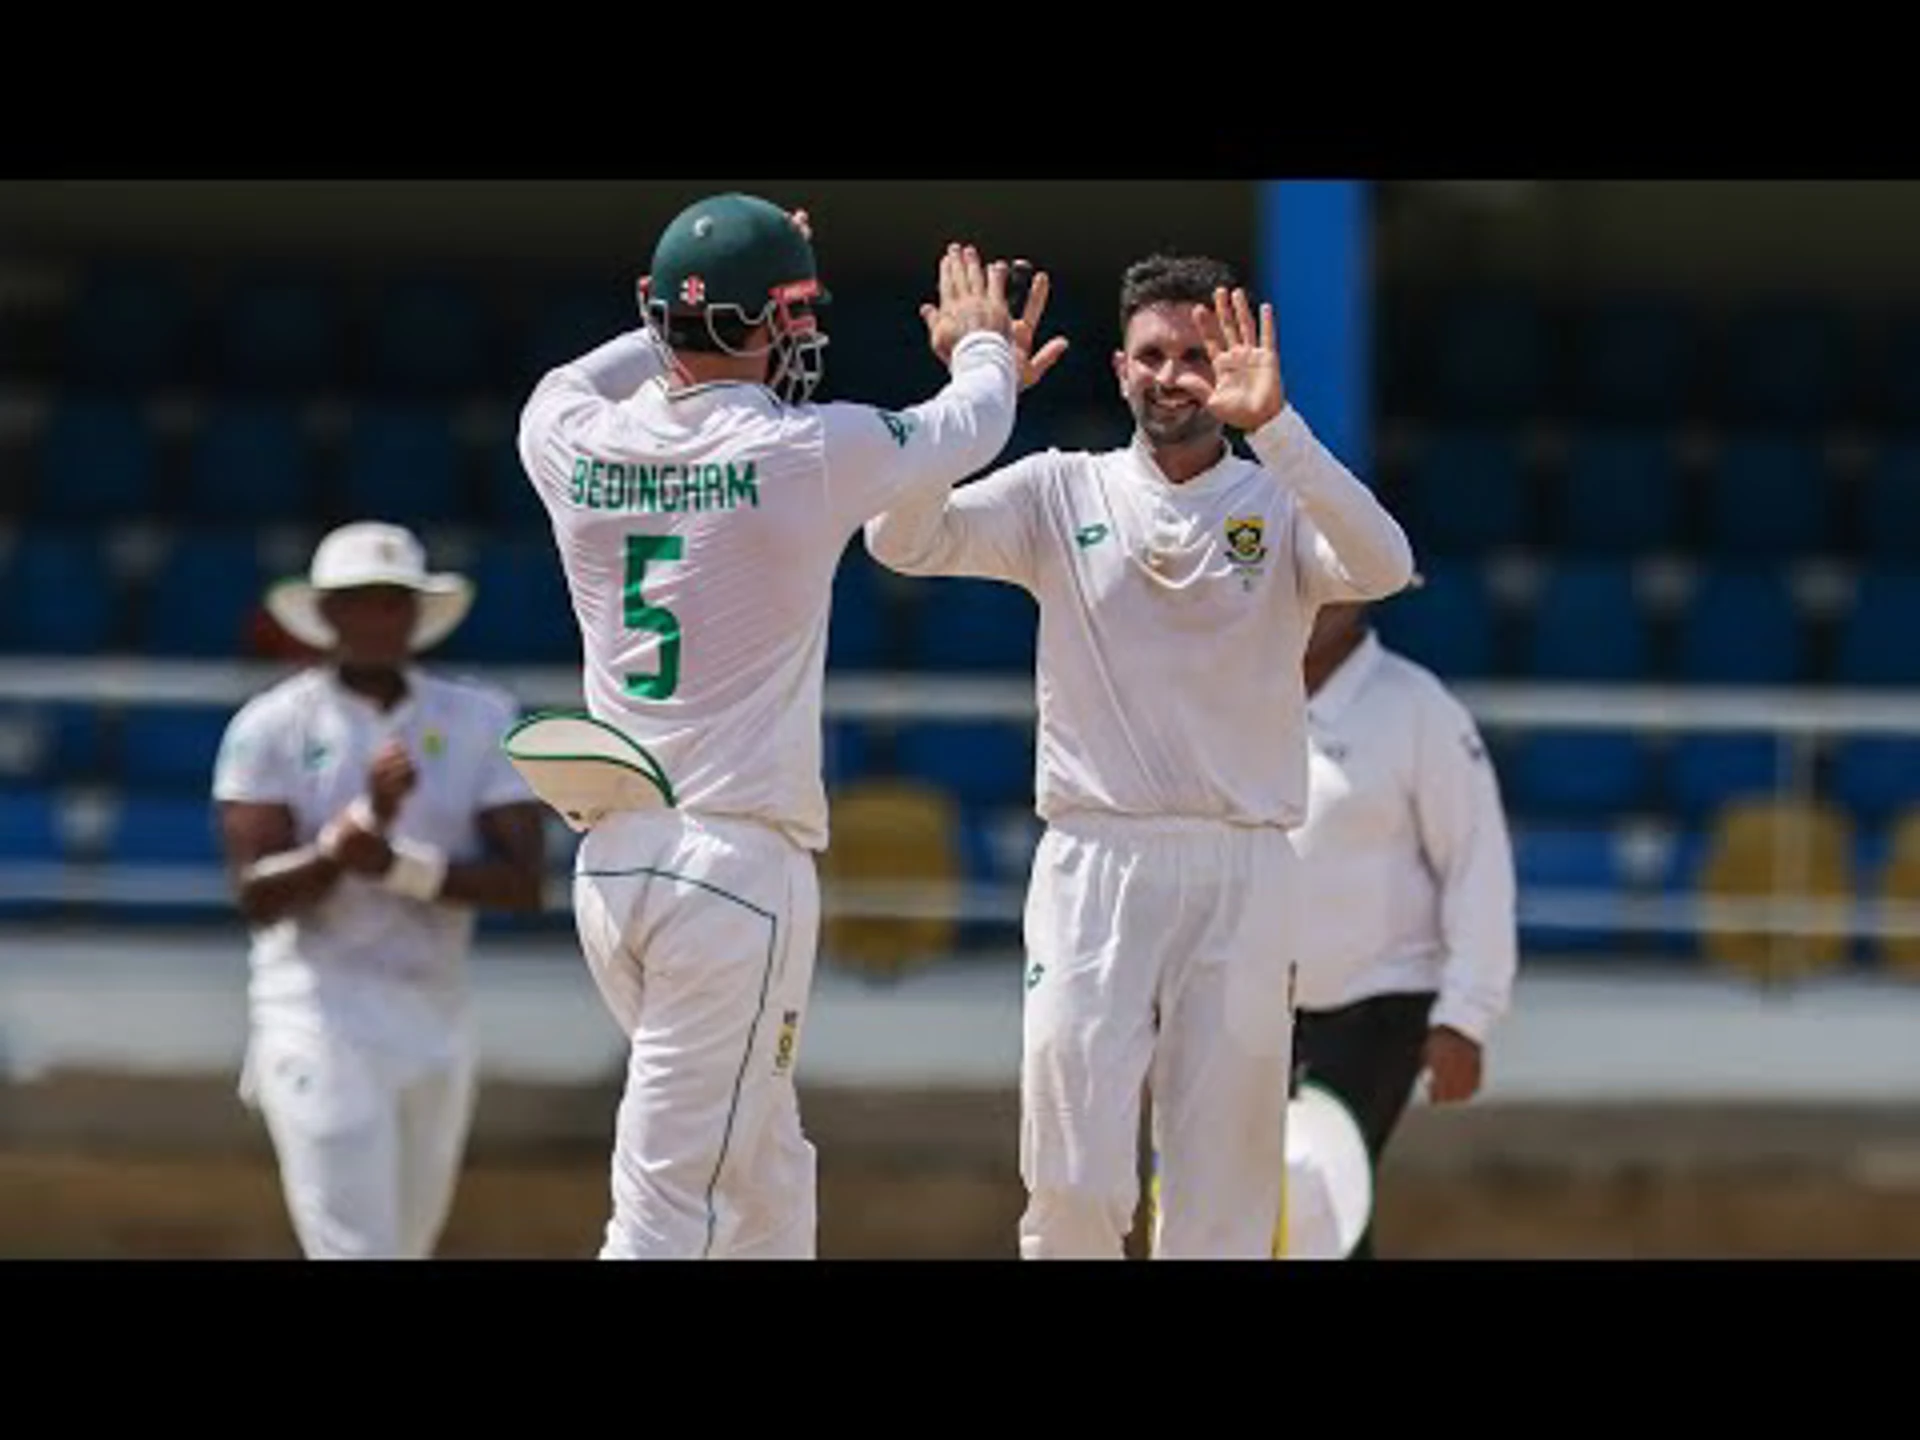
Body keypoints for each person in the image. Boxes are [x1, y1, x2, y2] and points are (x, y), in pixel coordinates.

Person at [511, 191, 1046, 1259]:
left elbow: (582, 376)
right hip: (733, 868)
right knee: (668, 1206)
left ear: (653, 316)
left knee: (764, 1170)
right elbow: (974, 424)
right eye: (789, 317)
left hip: (614, 863)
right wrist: (983, 343)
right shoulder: (805, 449)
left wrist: (697, 303)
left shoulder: (565, 438)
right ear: (768, 327)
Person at [864, 253, 1417, 1259]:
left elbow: (1384, 563)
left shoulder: (1279, 500)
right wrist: (969, 394)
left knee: (1224, 1196)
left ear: (1232, 367)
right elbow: (897, 540)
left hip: (1243, 866)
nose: (1175, 377)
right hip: (1095, 859)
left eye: (1198, 357)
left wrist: (1278, 430)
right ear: (1121, 369)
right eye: (1154, 356)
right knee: (1072, 1179)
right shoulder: (1056, 491)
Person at [210, 520, 549, 1259]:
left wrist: (394, 861)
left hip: (435, 1011)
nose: (377, 618)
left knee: (406, 1242)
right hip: (316, 1008)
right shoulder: (270, 725)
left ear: (417, 612)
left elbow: (526, 882)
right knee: (356, 1249)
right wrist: (353, 835)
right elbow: (256, 894)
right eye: (358, 601)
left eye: (392, 601)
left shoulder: (480, 715)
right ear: (326, 613)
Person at [1286, 596, 1518, 1258]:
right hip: (1249, 1003)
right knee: (1240, 1200)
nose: (1313, 596)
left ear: (1365, 590)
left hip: (1378, 1004)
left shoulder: (1419, 709)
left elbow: (1476, 864)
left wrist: (1465, 1017)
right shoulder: (1235, 688)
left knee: (1323, 1194)